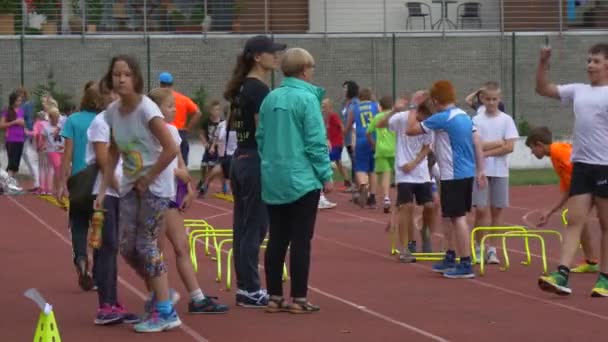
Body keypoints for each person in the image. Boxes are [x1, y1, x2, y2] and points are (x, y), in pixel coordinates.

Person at [96, 55, 181, 332]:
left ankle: (165, 310)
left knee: (147, 246)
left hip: (155, 187)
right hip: (130, 186)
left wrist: (149, 177)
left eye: (127, 74)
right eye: (116, 74)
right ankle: (162, 294)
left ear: (136, 79)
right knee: (128, 248)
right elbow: (112, 151)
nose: (121, 79)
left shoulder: (147, 110)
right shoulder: (112, 112)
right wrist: (103, 189)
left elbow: (171, 149)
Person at [257, 47, 332, 314]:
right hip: (302, 179)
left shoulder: (270, 98)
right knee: (301, 240)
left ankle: (274, 297)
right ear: (304, 70)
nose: (313, 72)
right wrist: (326, 174)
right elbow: (314, 142)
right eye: (311, 68)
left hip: (274, 176)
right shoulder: (307, 99)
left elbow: (261, 137)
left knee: (277, 238)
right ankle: (299, 298)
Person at [535, 43, 608, 296]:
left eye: (596, 61)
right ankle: (562, 274)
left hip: (605, 166)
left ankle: (605, 279)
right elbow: (542, 89)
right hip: (582, 166)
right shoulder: (579, 90)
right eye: (588, 60)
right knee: (575, 220)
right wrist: (543, 62)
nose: (589, 65)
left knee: (606, 224)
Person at [148, 87, 229, 314]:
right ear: (155, 109)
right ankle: (157, 297)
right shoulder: (147, 134)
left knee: (181, 246)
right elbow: (150, 165)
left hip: (170, 197)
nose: (174, 109)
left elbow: (180, 161)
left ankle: (197, 298)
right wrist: (176, 173)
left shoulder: (173, 131)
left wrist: (188, 187)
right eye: (169, 106)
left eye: (174, 105)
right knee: (156, 250)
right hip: (154, 197)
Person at [223, 35, 286, 307]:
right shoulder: (258, 90)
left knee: (243, 227)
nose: (277, 56)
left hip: (241, 158)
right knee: (255, 228)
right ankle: (249, 287)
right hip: (255, 160)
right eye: (272, 52)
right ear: (257, 57)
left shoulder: (242, 88)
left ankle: (245, 287)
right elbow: (265, 130)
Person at [406, 81, 487, 279]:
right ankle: (450, 255)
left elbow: (411, 129)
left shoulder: (442, 118)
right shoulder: (464, 116)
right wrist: (481, 168)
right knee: (447, 215)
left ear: (435, 100)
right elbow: (477, 141)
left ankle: (465, 262)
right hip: (464, 172)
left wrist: (414, 105)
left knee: (458, 217)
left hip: (454, 174)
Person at [85, 80, 139, 325]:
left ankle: (112, 301)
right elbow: (103, 161)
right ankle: (105, 305)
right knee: (107, 248)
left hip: (117, 192)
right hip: (105, 193)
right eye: (115, 93)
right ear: (106, 97)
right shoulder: (100, 123)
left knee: (112, 248)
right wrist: (124, 190)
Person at [525, 126, 599, 274]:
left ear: (539, 144)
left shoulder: (560, 151)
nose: (532, 153)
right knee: (578, 221)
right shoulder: (555, 156)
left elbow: (581, 170)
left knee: (576, 221)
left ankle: (568, 267)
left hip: (596, 184)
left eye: (532, 148)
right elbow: (569, 189)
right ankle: (591, 261)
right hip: (589, 187)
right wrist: (550, 212)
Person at [376, 91, 434, 262]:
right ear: (419, 111)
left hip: (420, 171)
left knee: (430, 205)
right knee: (406, 207)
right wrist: (393, 110)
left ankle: (424, 232)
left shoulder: (430, 124)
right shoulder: (401, 118)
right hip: (403, 172)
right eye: (422, 117)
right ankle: (406, 246)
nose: (423, 122)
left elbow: (426, 147)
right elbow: (380, 125)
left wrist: (415, 163)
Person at [59, 82, 102, 291]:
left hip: (77, 181)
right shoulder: (104, 121)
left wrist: (61, 184)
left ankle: (82, 260)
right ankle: (97, 271)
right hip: (99, 181)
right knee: (100, 226)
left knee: (78, 224)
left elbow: (66, 155)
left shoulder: (72, 120)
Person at [471, 83, 519, 264]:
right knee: (481, 210)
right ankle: (478, 246)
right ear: (482, 99)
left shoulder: (506, 120)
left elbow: (509, 146)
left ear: (499, 99)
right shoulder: (476, 120)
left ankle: (492, 249)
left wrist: (486, 152)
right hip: (481, 171)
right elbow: (476, 144)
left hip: (500, 171)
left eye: (495, 99)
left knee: (497, 210)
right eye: (488, 99)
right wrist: (496, 144)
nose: (491, 102)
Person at [159, 72, 202, 166]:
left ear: (160, 84)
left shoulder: (159, 99)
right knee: (182, 164)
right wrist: (188, 129)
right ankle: (181, 181)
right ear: (172, 84)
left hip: (164, 132)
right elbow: (198, 113)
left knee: (166, 164)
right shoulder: (182, 98)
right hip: (180, 133)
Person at [346, 87, 379, 208]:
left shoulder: (355, 108)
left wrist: (344, 134)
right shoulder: (376, 106)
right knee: (373, 169)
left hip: (361, 138)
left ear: (359, 97)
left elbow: (349, 125)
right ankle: (373, 197)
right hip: (374, 139)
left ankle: (364, 185)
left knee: (360, 168)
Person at [367, 95, 396, 214]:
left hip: (382, 149)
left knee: (385, 174)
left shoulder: (377, 117)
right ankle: (403, 198)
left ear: (380, 106)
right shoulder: (396, 116)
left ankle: (386, 197)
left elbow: (368, 132)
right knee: (399, 174)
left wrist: (373, 144)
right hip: (395, 149)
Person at [198, 100, 224, 197]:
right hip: (208, 147)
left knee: (212, 168)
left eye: (218, 109)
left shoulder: (222, 123)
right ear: (211, 111)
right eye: (214, 109)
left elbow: (220, 137)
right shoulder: (206, 121)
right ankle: (202, 180)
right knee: (204, 165)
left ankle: (205, 187)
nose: (217, 112)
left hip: (217, 149)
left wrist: (215, 146)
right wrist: (205, 143)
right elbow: (201, 133)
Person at [16, 87, 39, 191]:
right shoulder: (20, 105)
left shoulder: (27, 105)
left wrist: (29, 134)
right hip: (19, 134)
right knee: (26, 157)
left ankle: (37, 181)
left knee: (29, 157)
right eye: (18, 94)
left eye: (21, 94)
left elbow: (29, 119)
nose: (19, 96)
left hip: (24, 134)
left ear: (24, 95)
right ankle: (36, 181)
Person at [1, 91, 26, 178]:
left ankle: (12, 181)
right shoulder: (7, 111)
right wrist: (14, 122)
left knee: (16, 164)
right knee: (12, 163)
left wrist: (23, 125)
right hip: (11, 139)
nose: (19, 102)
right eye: (18, 100)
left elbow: (22, 124)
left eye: (20, 100)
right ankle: (7, 182)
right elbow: (2, 125)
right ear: (13, 101)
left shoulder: (21, 111)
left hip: (20, 139)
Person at [341, 81, 358, 192]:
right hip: (346, 136)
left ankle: (356, 184)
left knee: (355, 160)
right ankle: (356, 183)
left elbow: (353, 121)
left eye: (346, 88)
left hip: (352, 135)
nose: (344, 90)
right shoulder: (346, 102)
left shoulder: (355, 103)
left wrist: (345, 130)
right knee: (353, 160)